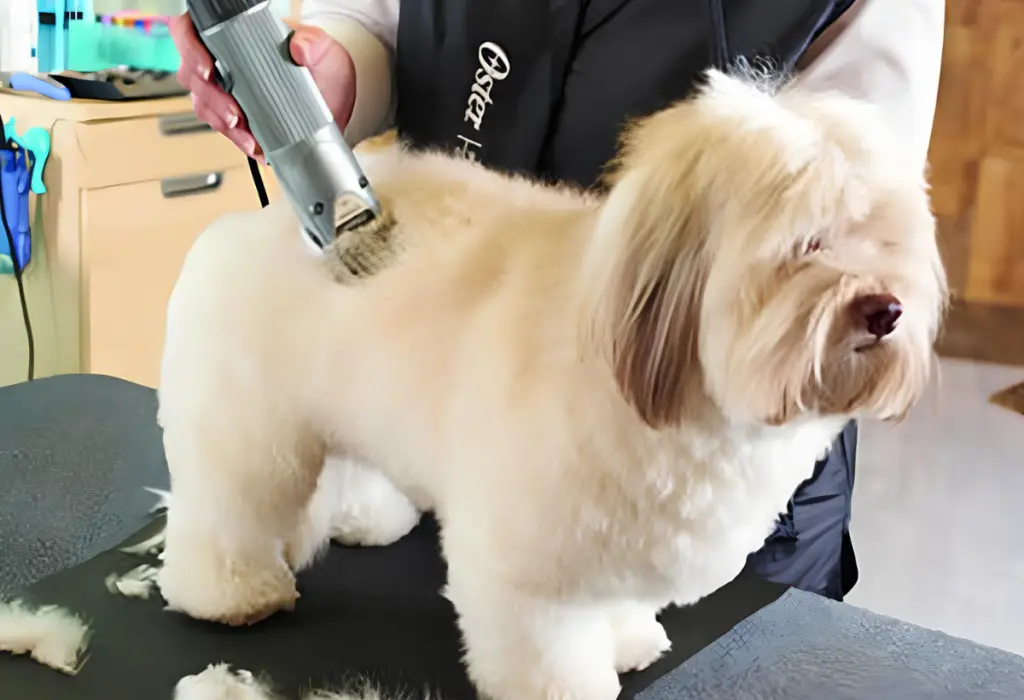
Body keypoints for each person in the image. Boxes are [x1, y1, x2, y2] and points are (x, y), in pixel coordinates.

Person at [170, 0, 944, 602]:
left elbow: (863, 218)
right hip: (453, 397)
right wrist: (334, 74)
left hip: (729, 454)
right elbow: (381, 22)